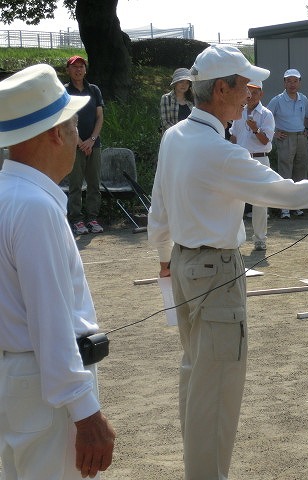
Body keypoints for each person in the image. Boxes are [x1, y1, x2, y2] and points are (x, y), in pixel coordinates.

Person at [146, 44, 308, 480]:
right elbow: (286, 193)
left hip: (183, 266)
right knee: (215, 391)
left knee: (197, 378)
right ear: (220, 89)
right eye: (243, 85)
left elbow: (158, 211)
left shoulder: (176, 136)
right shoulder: (218, 151)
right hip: (213, 269)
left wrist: (165, 261)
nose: (250, 93)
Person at [0, 64, 115, 479]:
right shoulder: (33, 206)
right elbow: (50, 322)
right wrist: (87, 415)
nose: (76, 132)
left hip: (20, 381)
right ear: (53, 133)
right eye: (71, 123)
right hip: (45, 393)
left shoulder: (9, 193)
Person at [229, 79, 275, 251]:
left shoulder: (266, 114)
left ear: (261, 94)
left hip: (260, 159)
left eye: (254, 92)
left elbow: (265, 141)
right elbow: (234, 136)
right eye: (248, 91)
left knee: (260, 201)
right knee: (235, 199)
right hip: (240, 159)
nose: (250, 95)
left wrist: (255, 129)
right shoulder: (238, 112)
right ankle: (234, 239)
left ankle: (260, 239)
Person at [64, 55, 105, 235]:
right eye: (74, 67)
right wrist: (80, 142)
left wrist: (92, 140)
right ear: (68, 70)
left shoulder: (94, 90)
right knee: (75, 184)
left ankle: (92, 218)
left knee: (94, 183)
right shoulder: (64, 91)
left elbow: (100, 117)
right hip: (74, 145)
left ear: (85, 70)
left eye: (81, 66)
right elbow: (65, 120)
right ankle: (76, 219)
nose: (78, 69)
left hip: (94, 144)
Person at [266, 68, 308, 218]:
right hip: (285, 138)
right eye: (289, 81)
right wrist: (274, 134)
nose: (292, 84)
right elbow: (266, 118)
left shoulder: (303, 99)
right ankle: (285, 208)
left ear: (300, 83)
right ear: (284, 83)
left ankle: (298, 206)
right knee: (285, 172)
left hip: (300, 138)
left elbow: (307, 117)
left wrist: (306, 129)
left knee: (301, 171)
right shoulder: (277, 100)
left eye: (295, 81)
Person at [160, 67, 194, 133]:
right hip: (173, 137)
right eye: (181, 81)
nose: (184, 85)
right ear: (175, 83)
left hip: (191, 135)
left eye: (187, 82)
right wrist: (181, 134)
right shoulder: (166, 98)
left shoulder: (193, 99)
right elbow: (166, 122)